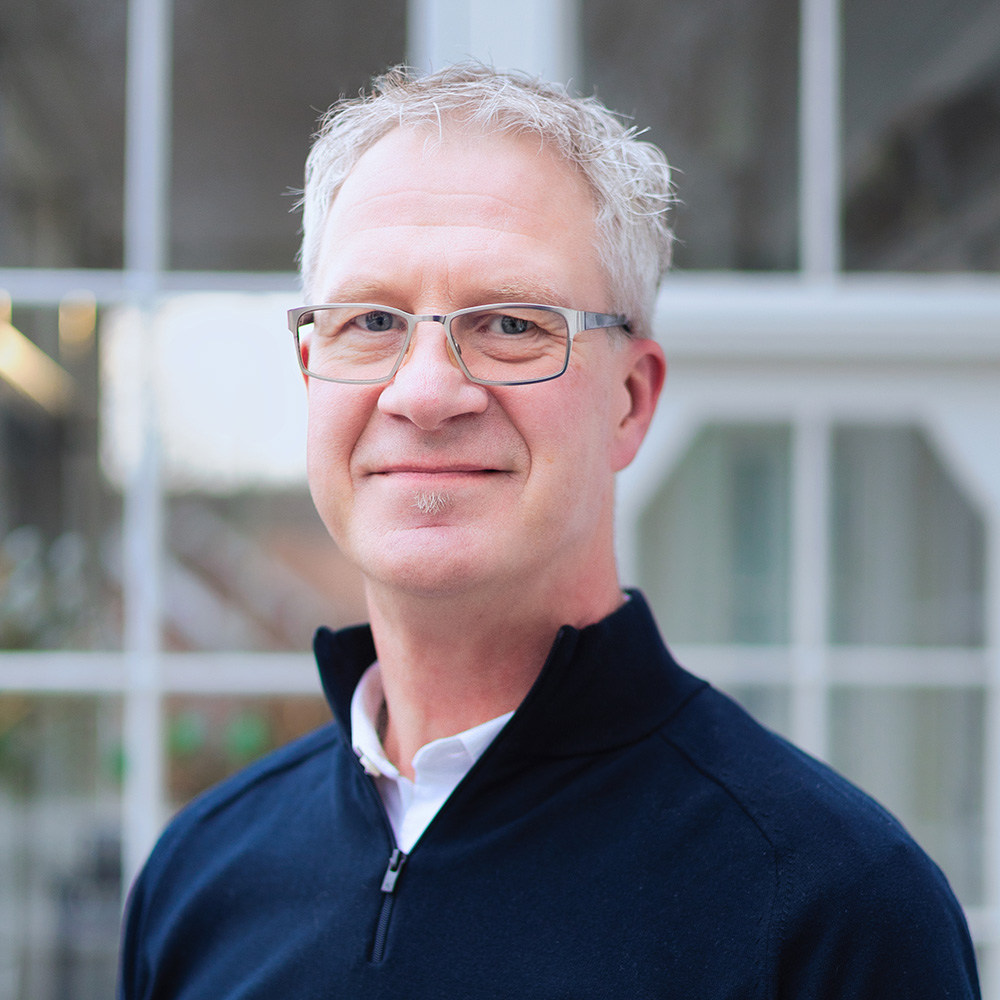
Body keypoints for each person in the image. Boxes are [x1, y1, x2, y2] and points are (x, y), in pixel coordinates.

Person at [118, 64, 980, 998]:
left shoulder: (831, 908)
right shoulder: (196, 882)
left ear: (630, 400)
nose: (424, 391)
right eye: (370, 320)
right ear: (309, 372)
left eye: (511, 323)